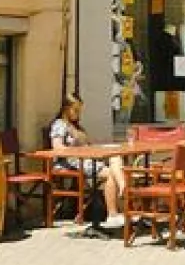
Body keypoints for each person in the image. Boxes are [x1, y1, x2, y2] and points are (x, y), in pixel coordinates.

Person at [48, 95, 126, 230]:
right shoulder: (60, 124)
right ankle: (114, 213)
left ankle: (122, 192)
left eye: (80, 111)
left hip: (86, 159)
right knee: (113, 173)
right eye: (76, 110)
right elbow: (57, 147)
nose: (78, 114)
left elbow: (87, 144)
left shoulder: (76, 126)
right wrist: (78, 150)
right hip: (72, 162)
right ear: (66, 109)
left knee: (116, 157)